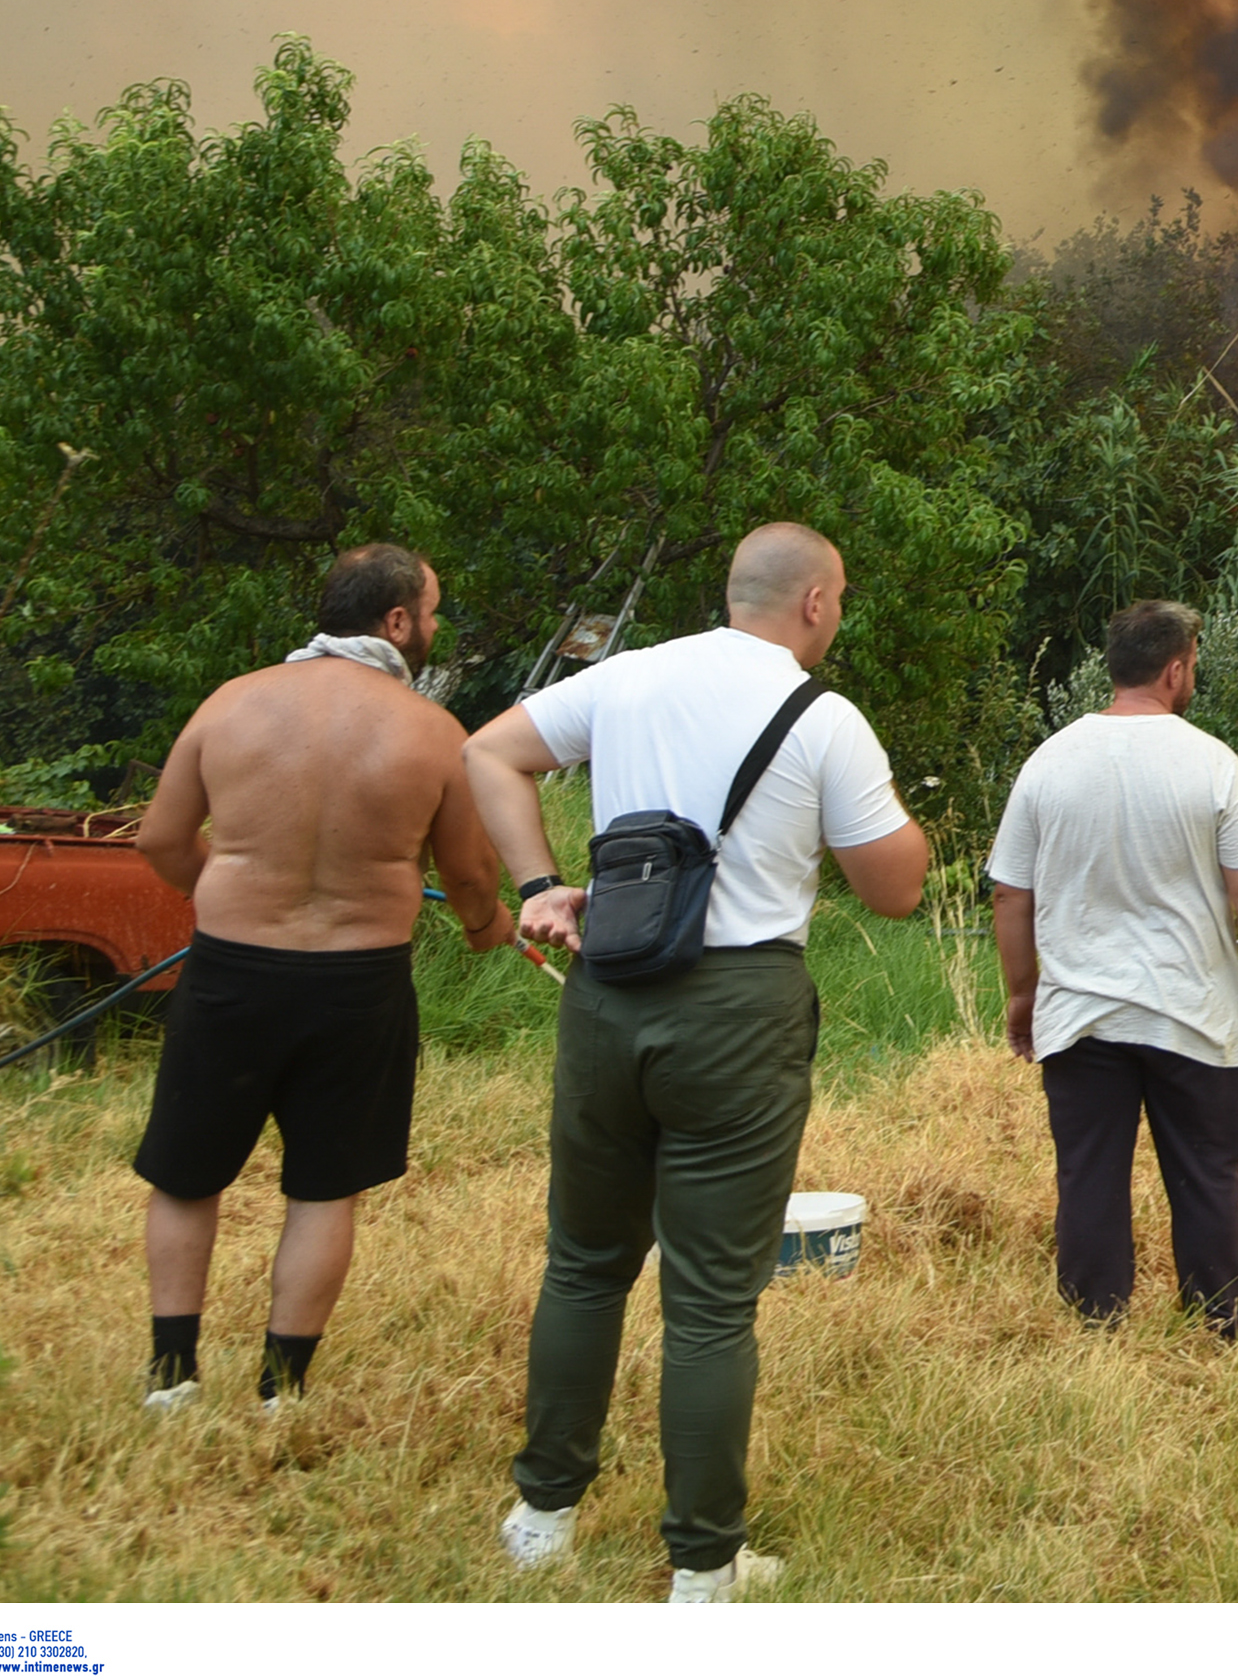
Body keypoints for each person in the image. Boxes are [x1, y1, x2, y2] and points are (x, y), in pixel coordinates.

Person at [463, 522, 932, 1605]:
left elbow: (483, 751)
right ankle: (705, 1568)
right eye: (842, 600)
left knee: (583, 1262)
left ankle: (542, 1517)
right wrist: (902, 833)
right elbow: (895, 890)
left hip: (606, 995)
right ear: (816, 602)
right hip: (738, 1007)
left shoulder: (627, 678)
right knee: (712, 1303)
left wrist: (538, 885)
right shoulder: (826, 719)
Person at [128, 543, 517, 1413]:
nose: (435, 627)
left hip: (231, 971)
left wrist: (228, 894)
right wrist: (487, 929)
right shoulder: (433, 733)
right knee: (322, 1186)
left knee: (188, 1174)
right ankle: (281, 1388)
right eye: (432, 613)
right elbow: (469, 881)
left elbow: (159, 839)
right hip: (358, 984)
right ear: (395, 622)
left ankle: (172, 1378)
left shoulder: (230, 704)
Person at [989, 599, 1238, 1337]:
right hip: (1196, 1011)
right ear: (1176, 666)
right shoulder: (1212, 762)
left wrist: (1024, 994)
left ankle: (1096, 1324)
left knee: (1088, 1173)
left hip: (1080, 1012)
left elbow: (1008, 892)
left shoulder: (1048, 760)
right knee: (1207, 1173)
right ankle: (1216, 1319)